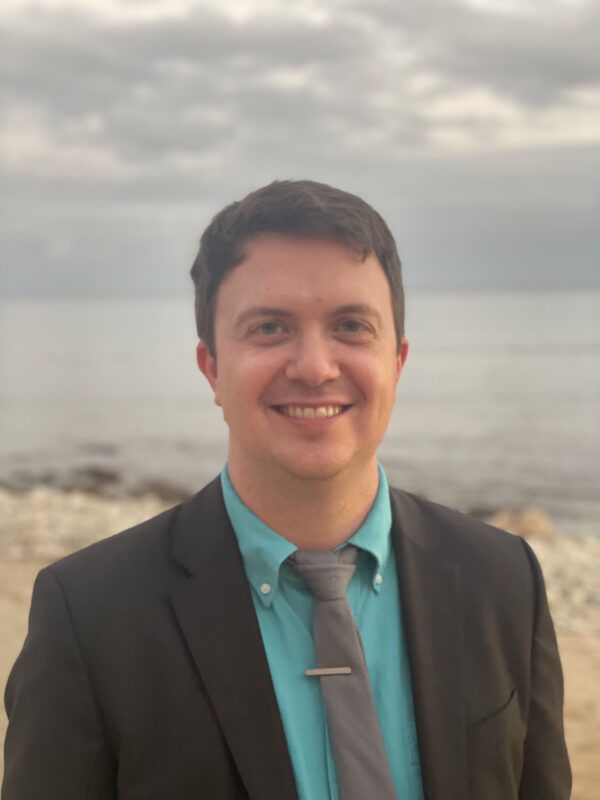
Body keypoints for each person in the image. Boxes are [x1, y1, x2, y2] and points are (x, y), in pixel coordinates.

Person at [2, 180, 571, 800]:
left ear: (397, 362)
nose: (315, 367)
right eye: (270, 327)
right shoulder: (88, 616)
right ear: (212, 368)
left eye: (351, 325)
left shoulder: (504, 580)